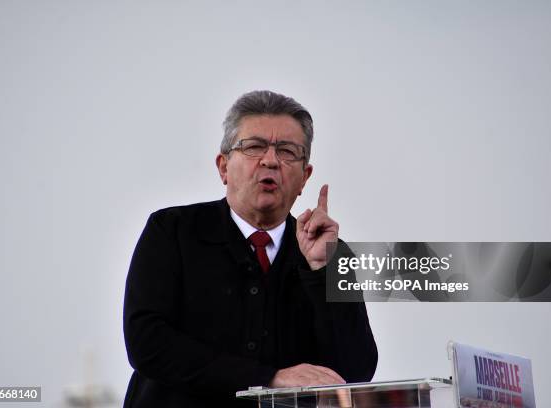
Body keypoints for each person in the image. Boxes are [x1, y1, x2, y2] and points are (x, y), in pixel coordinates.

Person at [123, 90, 377, 407]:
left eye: (287, 151)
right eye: (254, 147)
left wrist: (322, 272)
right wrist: (268, 378)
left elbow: (355, 372)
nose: (270, 160)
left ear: (304, 178)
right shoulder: (171, 231)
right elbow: (148, 344)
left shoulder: (328, 251)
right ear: (223, 167)